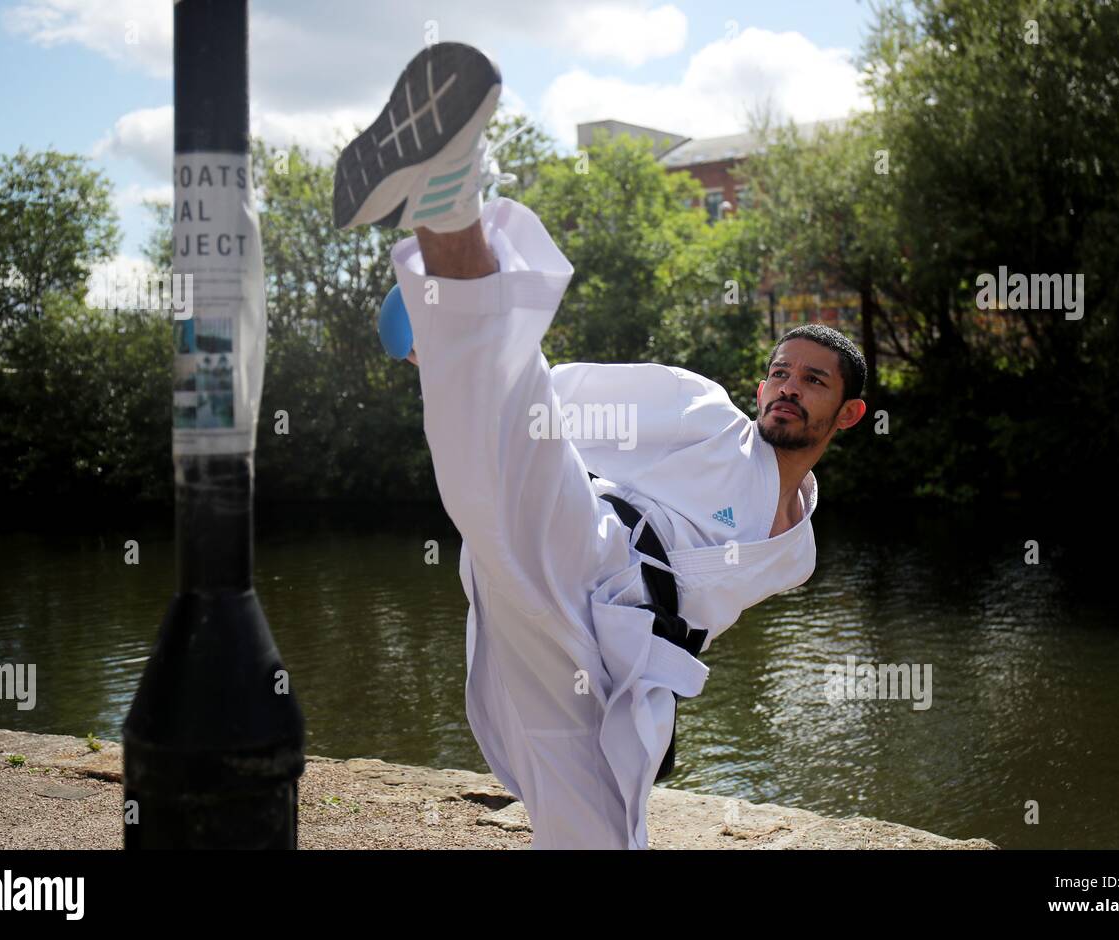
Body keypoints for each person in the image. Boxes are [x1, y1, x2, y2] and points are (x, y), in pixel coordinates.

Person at [334, 41, 867, 849]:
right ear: (759, 388)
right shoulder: (696, 409)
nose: (788, 387)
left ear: (848, 414)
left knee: (597, 837)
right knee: (512, 456)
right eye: (778, 373)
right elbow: (552, 397)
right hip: (588, 549)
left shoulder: (797, 552)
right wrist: (444, 350)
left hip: (620, 665)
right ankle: (449, 197)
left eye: (813, 381)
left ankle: (453, 252)